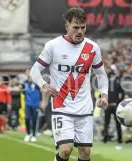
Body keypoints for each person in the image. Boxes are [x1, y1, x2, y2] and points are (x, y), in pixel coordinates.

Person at [29, 7, 108, 161]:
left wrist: (104, 95)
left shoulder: (92, 48)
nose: (80, 31)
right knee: (66, 149)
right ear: (67, 26)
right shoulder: (53, 46)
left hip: (84, 108)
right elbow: (34, 71)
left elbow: (101, 75)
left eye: (83, 27)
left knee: (85, 152)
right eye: (75, 27)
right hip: (61, 106)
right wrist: (44, 86)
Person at [23, 70, 43, 142]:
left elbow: (42, 91)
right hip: (28, 104)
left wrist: (42, 101)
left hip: (35, 104)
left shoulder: (37, 83)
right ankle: (28, 133)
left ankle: (34, 134)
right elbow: (20, 89)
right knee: (27, 118)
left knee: (35, 119)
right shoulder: (25, 83)